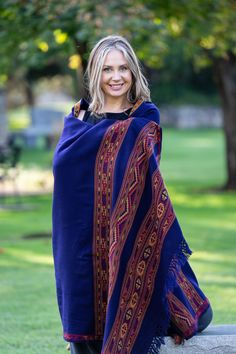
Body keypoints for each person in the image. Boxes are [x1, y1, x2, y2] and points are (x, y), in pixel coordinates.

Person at [52, 35, 212, 354]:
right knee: (85, 329)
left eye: (124, 68)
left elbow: (139, 175)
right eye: (108, 69)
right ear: (95, 73)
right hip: (79, 239)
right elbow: (66, 170)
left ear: (133, 72)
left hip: (130, 231)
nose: (116, 77)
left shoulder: (143, 117)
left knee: (191, 314)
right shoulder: (78, 118)